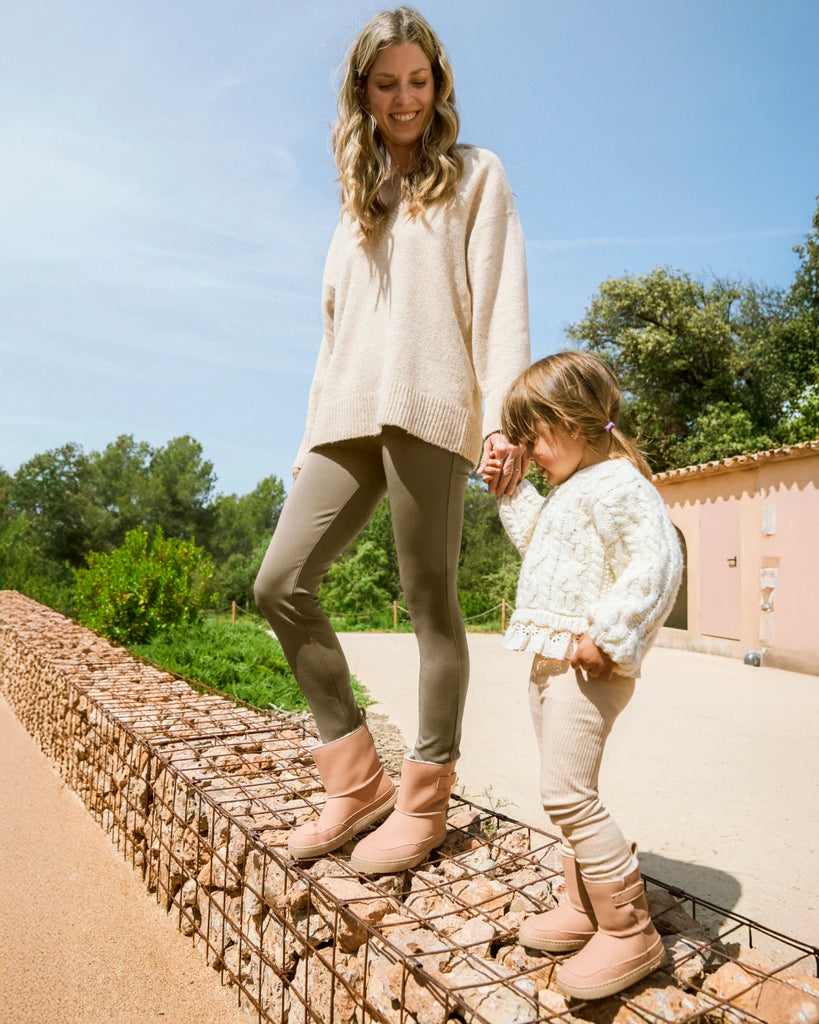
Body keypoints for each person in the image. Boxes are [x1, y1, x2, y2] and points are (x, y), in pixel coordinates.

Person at [254, 6, 530, 875]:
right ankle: (354, 781)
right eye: (386, 84)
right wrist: (308, 435)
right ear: (363, 93)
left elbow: (499, 301)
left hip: (429, 407)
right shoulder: (355, 202)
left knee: (429, 602)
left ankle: (424, 800)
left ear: (437, 84)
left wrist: (503, 419)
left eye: (417, 81)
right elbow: (332, 332)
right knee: (278, 583)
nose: (404, 99)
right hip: (344, 414)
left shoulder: (476, 175)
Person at [483, 351, 682, 1000]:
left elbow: (656, 563)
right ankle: (583, 905)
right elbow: (543, 546)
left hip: (588, 661)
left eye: (533, 436)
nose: (527, 450)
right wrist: (511, 490)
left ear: (573, 422)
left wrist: (612, 633)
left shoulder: (620, 484)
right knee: (567, 788)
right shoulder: (573, 488)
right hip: (550, 660)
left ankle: (629, 931)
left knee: (567, 793)